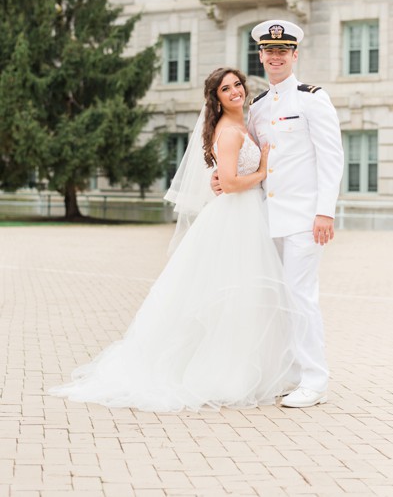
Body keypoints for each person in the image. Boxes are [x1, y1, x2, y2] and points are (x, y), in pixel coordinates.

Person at [50, 68, 298, 411]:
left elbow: (222, 178)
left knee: (243, 295)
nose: (235, 91)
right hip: (234, 218)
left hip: (246, 216)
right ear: (216, 98)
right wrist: (263, 169)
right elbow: (227, 182)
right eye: (226, 89)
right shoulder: (228, 132)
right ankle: (222, 375)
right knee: (227, 293)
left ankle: (242, 369)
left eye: (237, 84)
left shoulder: (246, 122)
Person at [220, 19, 343, 409]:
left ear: (294, 55)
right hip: (268, 217)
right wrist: (220, 178)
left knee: (300, 296)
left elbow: (331, 157)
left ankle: (315, 380)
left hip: (306, 219)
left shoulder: (311, 98)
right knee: (278, 298)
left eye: (282, 51)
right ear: (259, 56)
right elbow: (250, 155)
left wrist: (325, 212)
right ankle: (290, 375)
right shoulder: (257, 107)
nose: (275, 57)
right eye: (268, 51)